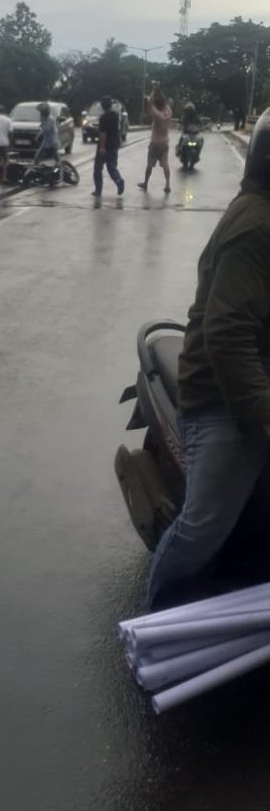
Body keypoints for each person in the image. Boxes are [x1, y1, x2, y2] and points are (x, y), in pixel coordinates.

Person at [147, 108, 270, 611]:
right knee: (203, 528)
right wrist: (262, 413)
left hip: (253, 378)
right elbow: (228, 332)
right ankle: (152, 627)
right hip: (223, 398)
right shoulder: (256, 228)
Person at [137, 85, 172, 194]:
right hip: (164, 142)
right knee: (165, 165)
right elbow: (159, 102)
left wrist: (153, 90)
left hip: (155, 143)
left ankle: (146, 183)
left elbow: (149, 103)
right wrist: (158, 92)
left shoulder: (156, 114)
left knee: (149, 165)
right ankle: (167, 184)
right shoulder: (168, 111)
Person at [92, 96, 124, 198]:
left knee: (97, 168)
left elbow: (103, 134)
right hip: (114, 145)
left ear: (102, 106)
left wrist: (102, 147)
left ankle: (98, 190)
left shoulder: (103, 118)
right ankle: (118, 180)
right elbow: (117, 130)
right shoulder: (115, 116)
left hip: (105, 146)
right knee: (111, 167)